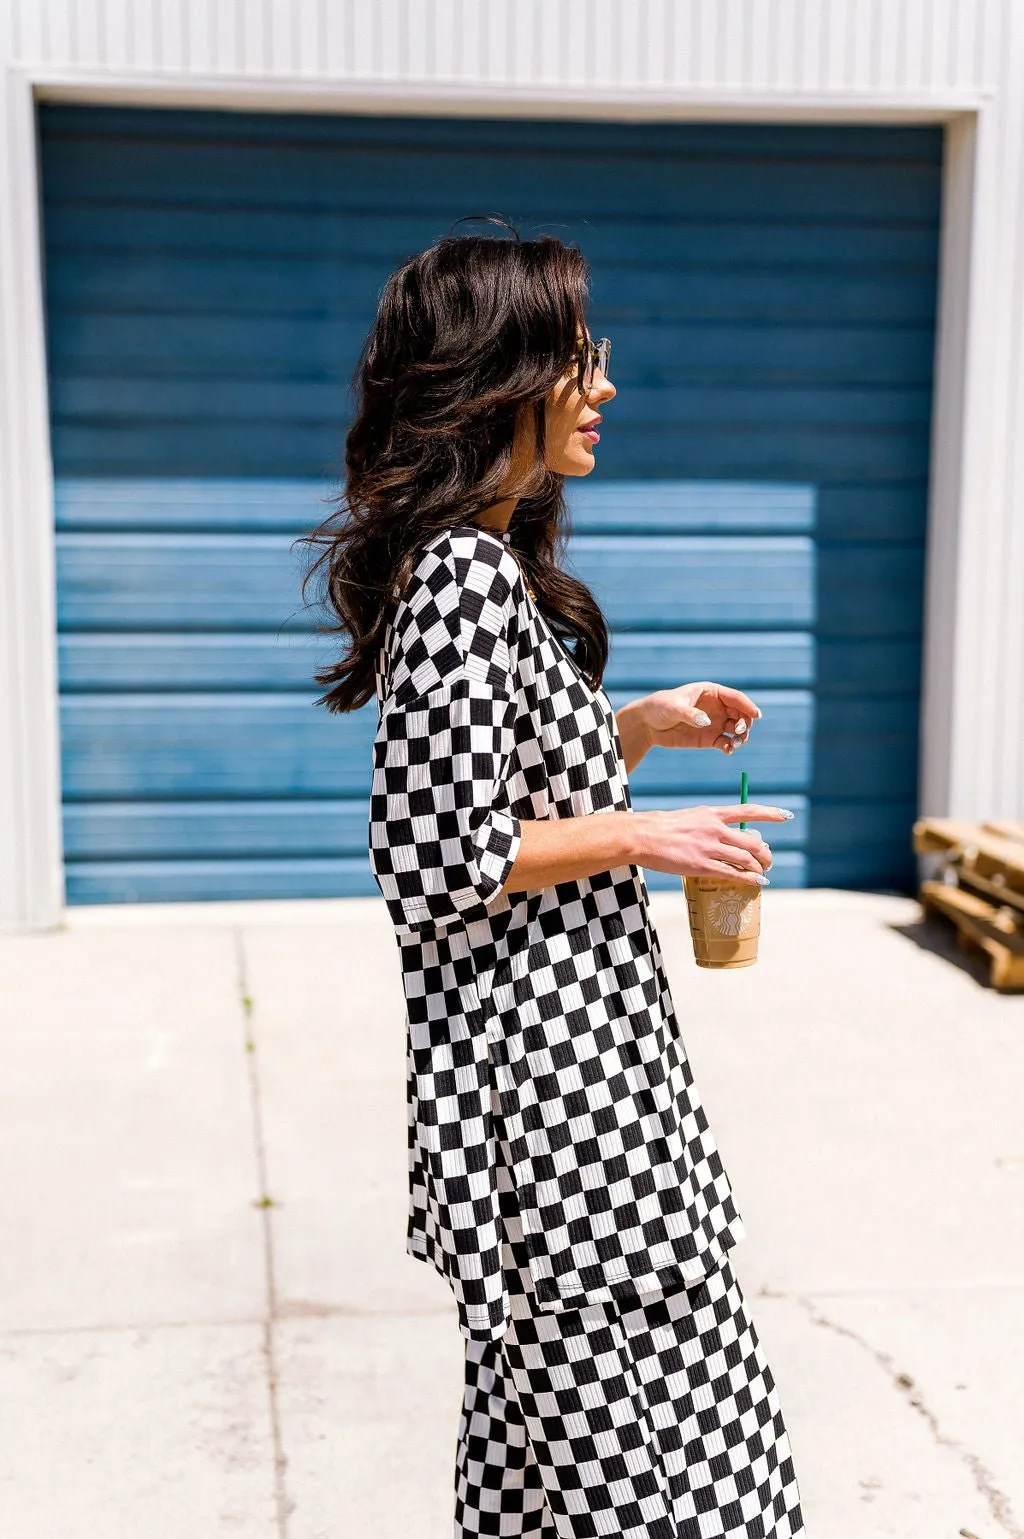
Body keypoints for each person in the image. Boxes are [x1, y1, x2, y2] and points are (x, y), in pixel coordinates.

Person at [303, 225, 806, 1539]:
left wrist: (633, 727)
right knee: (647, 1461)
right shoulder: (465, 580)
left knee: (569, 1456)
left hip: (577, 1107)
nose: (605, 386)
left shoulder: (489, 573)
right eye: (585, 355)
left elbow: (507, 790)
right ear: (505, 371)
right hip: (562, 1120)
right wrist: (651, 836)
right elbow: (434, 851)